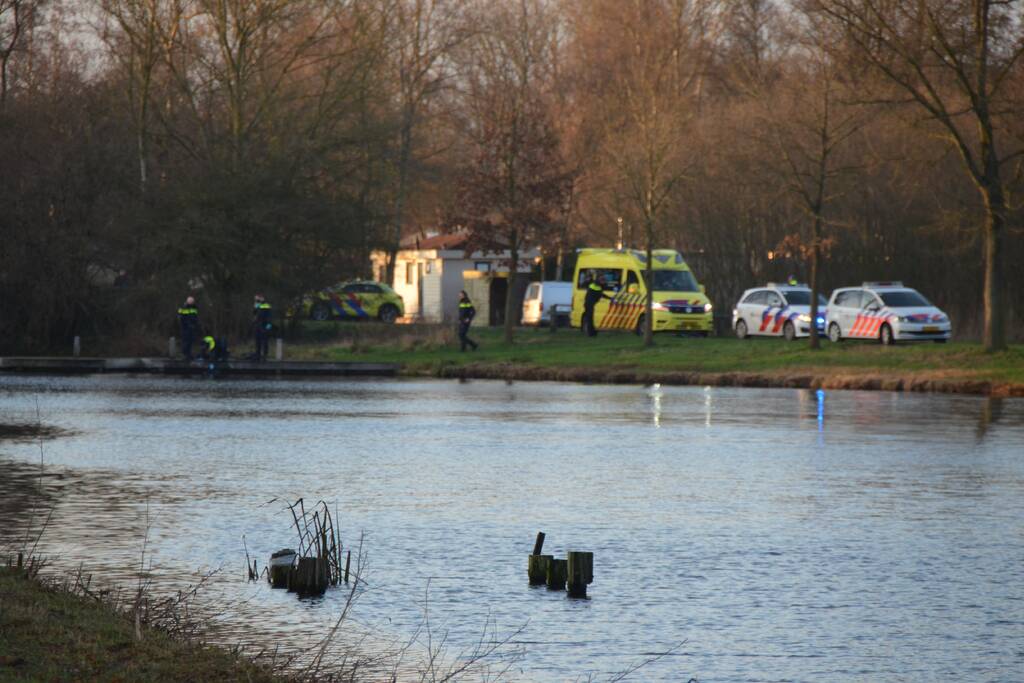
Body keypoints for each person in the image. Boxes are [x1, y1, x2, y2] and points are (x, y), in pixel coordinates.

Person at [581, 272, 613, 337]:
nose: (604, 282)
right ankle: (591, 333)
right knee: (590, 319)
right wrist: (610, 298)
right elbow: (602, 294)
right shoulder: (596, 287)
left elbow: (585, 284)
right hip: (589, 304)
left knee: (590, 318)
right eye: (603, 280)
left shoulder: (594, 284)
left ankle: (592, 332)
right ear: (599, 280)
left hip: (589, 304)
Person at [177, 296, 199, 361]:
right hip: (185, 327)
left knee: (190, 341)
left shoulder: (195, 307)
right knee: (185, 340)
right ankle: (184, 354)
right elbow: (180, 317)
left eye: (192, 302)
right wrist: (187, 324)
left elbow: (195, 317)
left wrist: (195, 324)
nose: (192, 303)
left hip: (192, 327)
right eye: (190, 302)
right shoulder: (183, 307)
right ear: (187, 301)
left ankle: (189, 354)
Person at [252, 294, 272, 362]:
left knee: (264, 342)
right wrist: (256, 304)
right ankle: (258, 355)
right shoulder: (257, 305)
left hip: (264, 326)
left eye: (259, 297)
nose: (257, 299)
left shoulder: (266, 305)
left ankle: (264, 356)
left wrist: (268, 327)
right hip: (257, 326)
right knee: (257, 342)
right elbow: (254, 313)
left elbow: (269, 317)